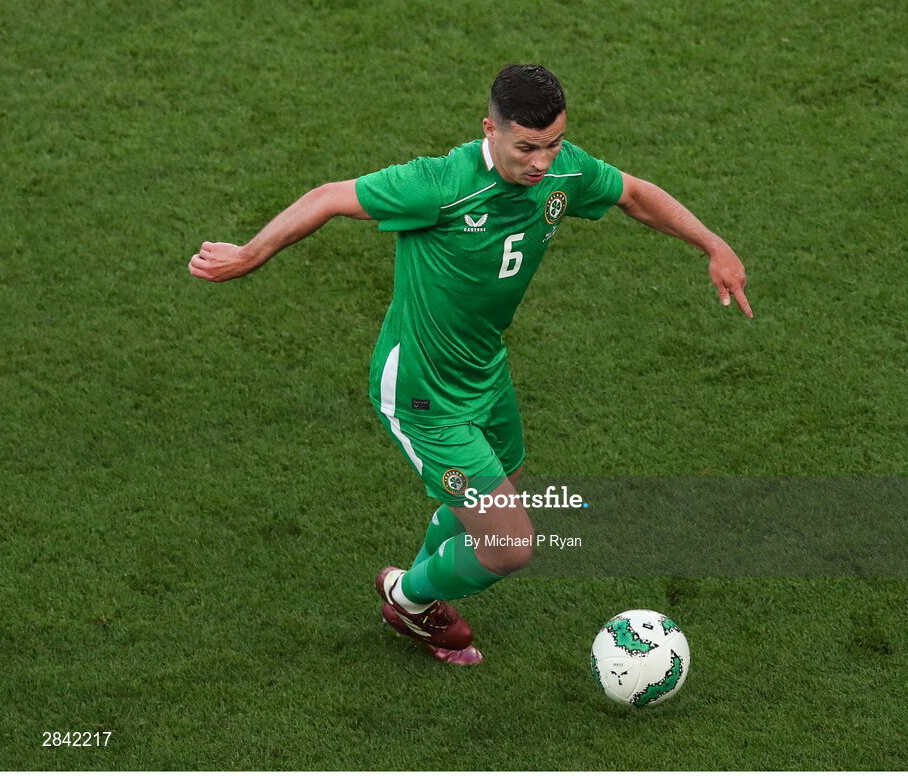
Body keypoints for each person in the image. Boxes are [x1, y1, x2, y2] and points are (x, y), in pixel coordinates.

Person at [188, 64, 753, 666]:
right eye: (527, 147)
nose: (541, 162)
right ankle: (407, 598)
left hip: (485, 370)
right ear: (491, 130)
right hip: (423, 392)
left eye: (553, 143)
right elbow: (330, 197)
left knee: (504, 476)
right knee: (510, 546)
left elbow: (634, 195)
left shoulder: (564, 169)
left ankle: (423, 584)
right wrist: (250, 254)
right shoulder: (440, 183)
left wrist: (713, 245)